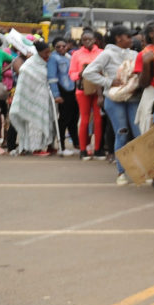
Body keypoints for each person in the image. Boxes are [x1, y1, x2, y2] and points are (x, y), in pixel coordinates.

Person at [82, 25, 139, 185]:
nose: (131, 40)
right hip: (114, 100)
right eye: (128, 37)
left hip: (133, 98)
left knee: (138, 133)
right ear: (118, 38)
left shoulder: (134, 54)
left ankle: (141, 169)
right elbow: (88, 72)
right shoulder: (107, 53)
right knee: (122, 132)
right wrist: (108, 82)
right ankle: (121, 172)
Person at [9, 41, 56, 155]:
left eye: (49, 52)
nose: (48, 54)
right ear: (39, 52)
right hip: (32, 100)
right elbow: (25, 77)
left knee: (49, 122)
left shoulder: (46, 62)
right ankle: (35, 148)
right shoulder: (29, 65)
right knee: (35, 124)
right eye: (45, 52)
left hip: (45, 99)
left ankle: (47, 145)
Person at [69, 29, 105, 160]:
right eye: (84, 40)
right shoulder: (76, 54)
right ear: (81, 41)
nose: (87, 42)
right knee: (84, 120)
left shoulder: (101, 53)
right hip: (82, 89)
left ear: (95, 40)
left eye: (90, 39)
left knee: (98, 119)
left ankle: (98, 150)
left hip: (98, 89)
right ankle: (83, 149)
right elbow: (71, 74)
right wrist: (80, 73)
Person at [48, 38, 79, 156]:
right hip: (63, 90)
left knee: (74, 118)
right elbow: (52, 77)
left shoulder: (69, 56)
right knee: (64, 119)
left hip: (73, 90)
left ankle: (76, 144)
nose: (61, 48)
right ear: (54, 48)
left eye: (63, 46)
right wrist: (56, 94)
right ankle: (61, 146)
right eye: (58, 46)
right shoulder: (53, 58)